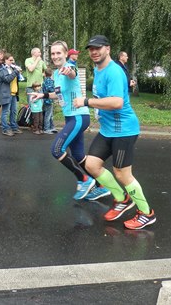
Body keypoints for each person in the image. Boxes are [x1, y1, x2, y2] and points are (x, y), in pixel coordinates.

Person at [73, 35, 155, 230]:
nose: (94, 52)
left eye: (98, 48)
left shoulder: (115, 72)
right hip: (108, 130)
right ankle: (122, 199)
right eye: (91, 49)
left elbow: (117, 102)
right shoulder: (98, 68)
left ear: (108, 49)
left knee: (122, 173)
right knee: (92, 165)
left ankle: (146, 213)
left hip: (123, 130)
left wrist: (86, 102)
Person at [31, 40, 110, 201]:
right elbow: (58, 94)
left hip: (79, 116)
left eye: (59, 53)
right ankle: (101, 187)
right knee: (79, 156)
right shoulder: (56, 73)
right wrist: (43, 95)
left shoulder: (69, 67)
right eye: (53, 53)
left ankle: (84, 180)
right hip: (71, 118)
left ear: (66, 54)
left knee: (57, 149)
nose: (55, 56)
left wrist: (69, 70)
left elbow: (72, 72)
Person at [0, 53, 22, 136]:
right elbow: (7, 79)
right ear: (5, 61)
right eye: (10, 60)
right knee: (5, 112)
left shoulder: (12, 69)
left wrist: (17, 72)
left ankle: (14, 127)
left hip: (14, 93)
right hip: (6, 94)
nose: (13, 61)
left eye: (13, 60)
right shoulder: (2, 70)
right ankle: (5, 129)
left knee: (14, 111)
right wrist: (16, 72)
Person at [42, 67, 57, 134]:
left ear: (45, 74)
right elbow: (50, 89)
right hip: (49, 100)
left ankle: (51, 127)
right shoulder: (50, 81)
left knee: (49, 114)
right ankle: (46, 128)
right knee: (48, 115)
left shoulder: (45, 80)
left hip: (45, 99)